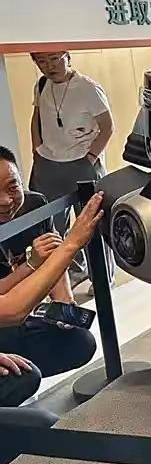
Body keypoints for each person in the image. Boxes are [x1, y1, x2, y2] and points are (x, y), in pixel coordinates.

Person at [0, 147, 98, 408]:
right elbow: (8, 307)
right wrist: (34, 263)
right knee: (23, 377)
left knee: (80, 342)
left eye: (12, 187)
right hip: (7, 315)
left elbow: (53, 257)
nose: (5, 201)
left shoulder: (34, 206)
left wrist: (63, 304)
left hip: (19, 316)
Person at [28, 51, 114, 288]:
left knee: (92, 224)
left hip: (82, 163)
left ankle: (102, 279)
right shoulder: (42, 85)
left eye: (54, 59)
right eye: (41, 61)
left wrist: (91, 157)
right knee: (52, 228)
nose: (49, 66)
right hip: (48, 165)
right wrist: (37, 150)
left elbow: (107, 126)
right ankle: (74, 272)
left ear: (67, 56)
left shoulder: (87, 87)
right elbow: (36, 118)